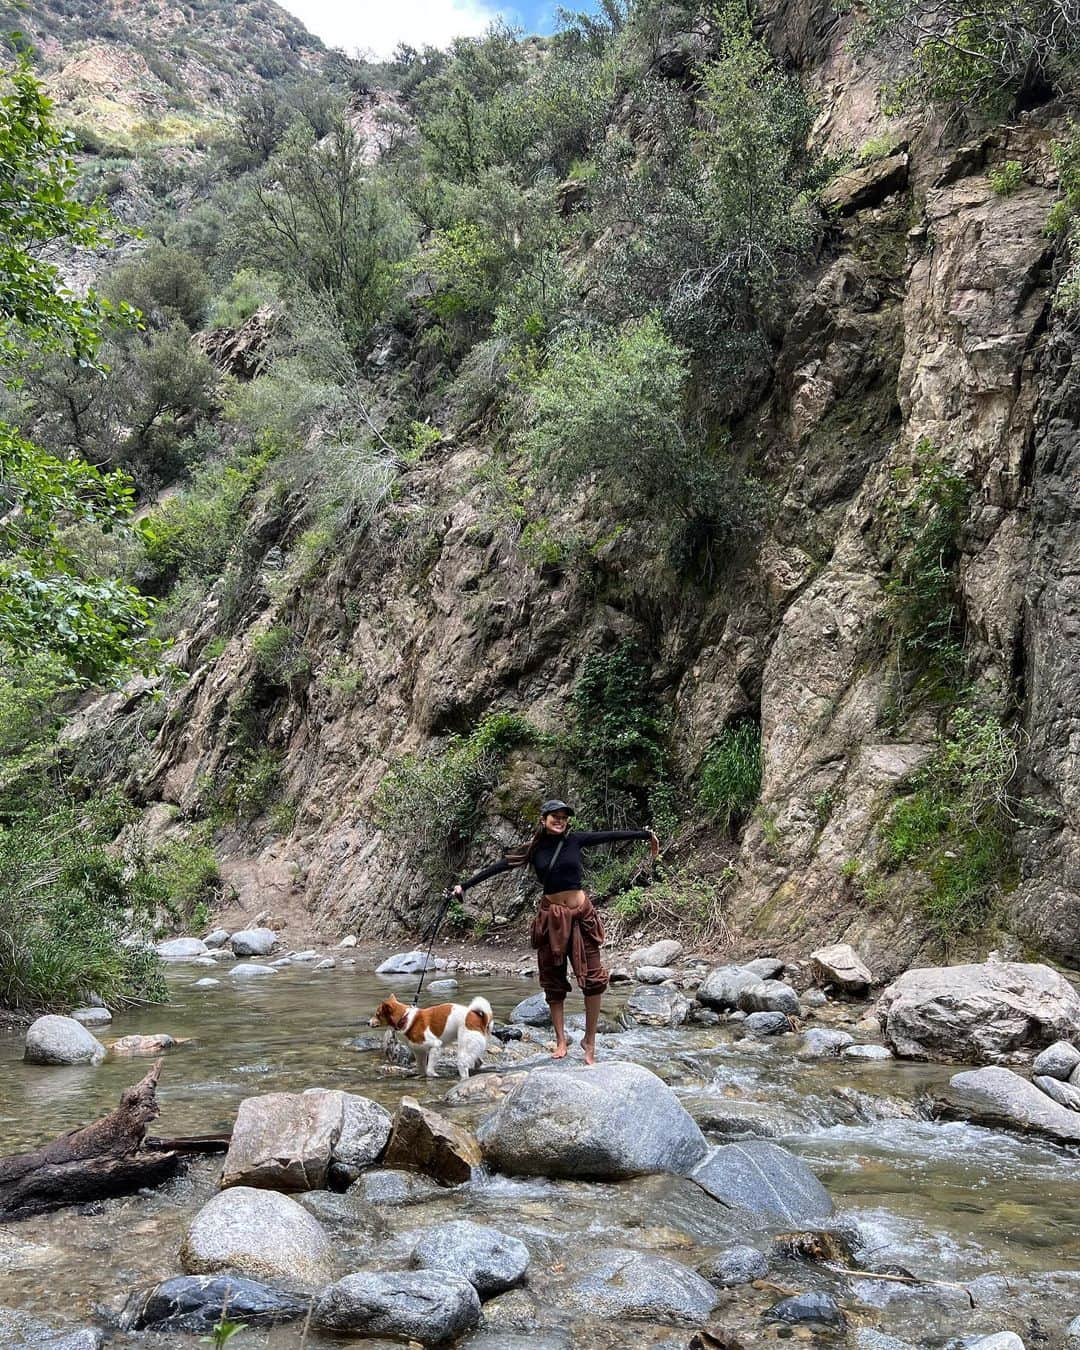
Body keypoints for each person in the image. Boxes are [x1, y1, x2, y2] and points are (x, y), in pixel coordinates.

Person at [453, 799, 660, 1065]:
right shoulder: (533, 850)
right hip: (551, 919)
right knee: (553, 979)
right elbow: (501, 866)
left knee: (594, 979)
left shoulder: (576, 840)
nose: (560, 820)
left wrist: (645, 835)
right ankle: (561, 1040)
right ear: (543, 819)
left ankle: (589, 1042)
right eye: (554, 816)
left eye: (563, 816)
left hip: (581, 917)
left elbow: (610, 835)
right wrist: (465, 885)